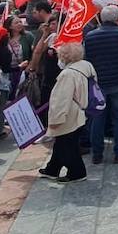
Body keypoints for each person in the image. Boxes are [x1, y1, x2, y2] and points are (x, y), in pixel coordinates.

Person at [83, 5, 118, 164]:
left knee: (97, 117)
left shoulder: (90, 35)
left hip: (98, 82)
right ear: (117, 19)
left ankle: (97, 154)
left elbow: (85, 58)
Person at [39, 42, 91, 183]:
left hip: (69, 114)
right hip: (80, 111)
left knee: (67, 145)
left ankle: (77, 172)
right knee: (63, 143)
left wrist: (55, 120)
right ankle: (52, 168)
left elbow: (61, 100)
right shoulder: (86, 66)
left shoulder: (68, 74)